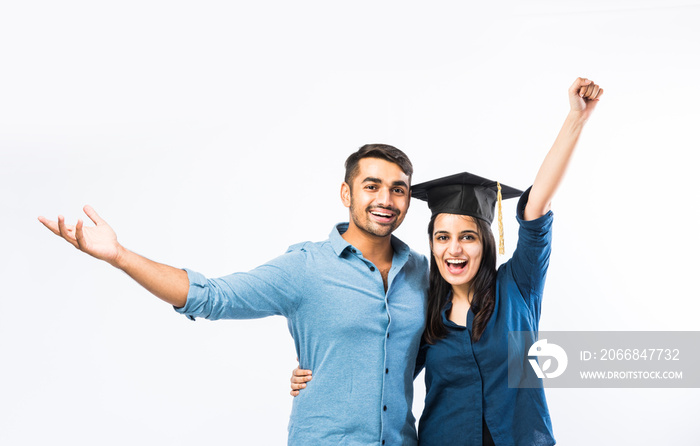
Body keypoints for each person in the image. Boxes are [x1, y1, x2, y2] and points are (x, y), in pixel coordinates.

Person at [38, 144, 430, 445]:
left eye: (398, 189)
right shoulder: (306, 267)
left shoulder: (419, 271)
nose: (385, 200)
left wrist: (339, 369)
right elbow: (212, 296)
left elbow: (417, 351)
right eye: (372, 186)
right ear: (347, 193)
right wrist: (120, 256)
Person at [291, 77, 604, 445]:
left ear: (485, 243)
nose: (454, 249)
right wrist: (316, 375)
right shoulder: (424, 308)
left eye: (467, 237)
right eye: (443, 238)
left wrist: (576, 118)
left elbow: (537, 207)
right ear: (432, 244)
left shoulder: (518, 287)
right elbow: (384, 370)